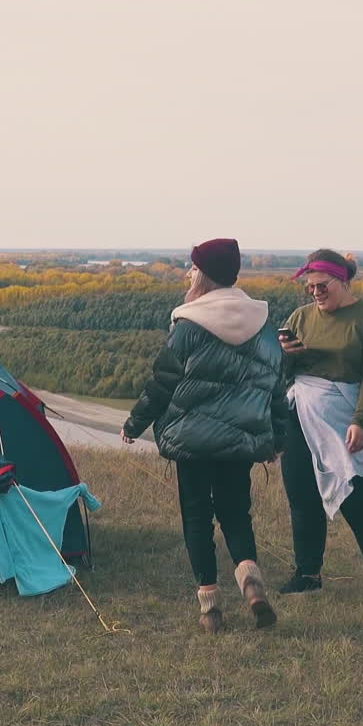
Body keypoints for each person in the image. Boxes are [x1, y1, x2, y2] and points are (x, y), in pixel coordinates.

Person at [121, 238, 287, 634]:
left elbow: (162, 383)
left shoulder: (188, 325)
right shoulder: (262, 325)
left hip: (192, 439)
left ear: (206, 274)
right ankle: (250, 580)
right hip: (241, 440)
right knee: (235, 512)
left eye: (193, 268)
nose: (189, 274)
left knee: (197, 516)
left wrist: (134, 424)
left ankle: (210, 607)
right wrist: (276, 439)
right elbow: (276, 389)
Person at [277, 248, 363, 603]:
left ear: (343, 281)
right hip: (301, 416)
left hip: (347, 417)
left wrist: (361, 420)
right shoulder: (301, 316)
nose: (316, 293)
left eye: (322, 285)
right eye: (310, 287)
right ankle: (307, 574)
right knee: (302, 497)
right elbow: (282, 373)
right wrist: (287, 357)